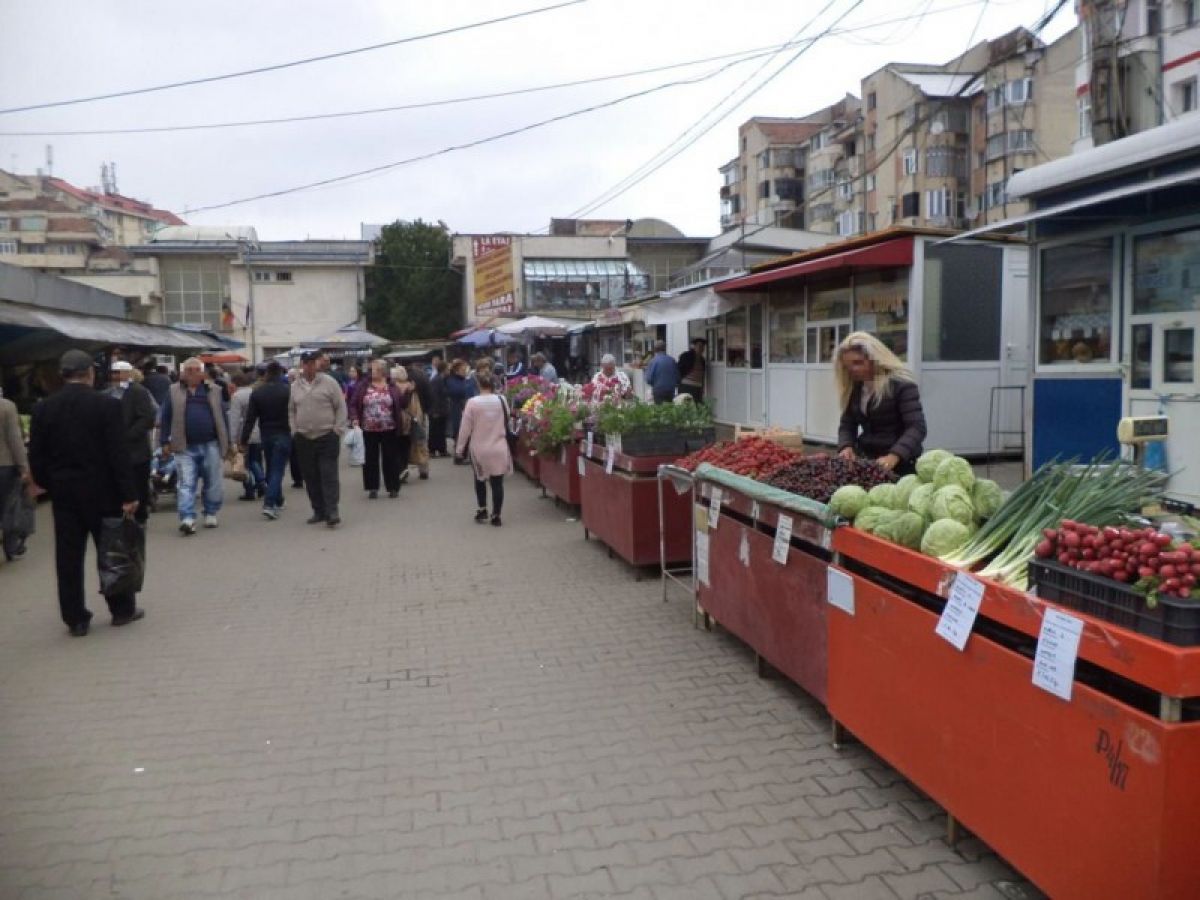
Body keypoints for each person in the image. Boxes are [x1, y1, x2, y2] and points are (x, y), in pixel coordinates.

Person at [28, 350, 143, 636]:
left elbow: (37, 457)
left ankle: (75, 617)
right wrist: (129, 494)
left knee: (68, 557)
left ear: (63, 374)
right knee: (112, 551)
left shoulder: (44, 408)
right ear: (90, 373)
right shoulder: (106, 406)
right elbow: (118, 454)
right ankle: (121, 610)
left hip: (65, 495)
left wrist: (51, 485)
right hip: (104, 493)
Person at [835, 331, 927, 476]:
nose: (853, 370)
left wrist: (894, 455)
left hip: (902, 465)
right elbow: (847, 424)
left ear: (875, 359)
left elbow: (916, 427)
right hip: (868, 461)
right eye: (848, 366)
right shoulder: (855, 388)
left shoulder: (901, 385)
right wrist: (846, 446)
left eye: (858, 363)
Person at [160, 357, 231, 535]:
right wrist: (164, 442)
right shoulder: (173, 391)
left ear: (202, 373)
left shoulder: (213, 390)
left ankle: (210, 512)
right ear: (182, 373)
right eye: (188, 370)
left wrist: (229, 442)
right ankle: (187, 517)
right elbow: (166, 417)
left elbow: (223, 417)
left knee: (213, 481)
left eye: (195, 370)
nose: (191, 373)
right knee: (185, 483)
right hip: (184, 445)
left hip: (211, 443)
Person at [290, 350, 348, 528]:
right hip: (304, 437)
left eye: (312, 362)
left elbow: (340, 407)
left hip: (326, 436)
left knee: (328, 474)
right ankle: (318, 510)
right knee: (311, 476)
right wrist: (294, 430)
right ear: (301, 365)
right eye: (306, 363)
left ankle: (332, 511)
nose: (309, 366)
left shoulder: (329, 383)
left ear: (317, 364)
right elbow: (291, 410)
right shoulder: (295, 386)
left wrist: (338, 429)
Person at [455, 370, 513, 527]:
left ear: (478, 384)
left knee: (479, 479)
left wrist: (459, 449)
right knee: (497, 482)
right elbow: (508, 418)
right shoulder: (502, 400)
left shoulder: (472, 403)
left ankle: (482, 509)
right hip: (499, 446)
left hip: (479, 448)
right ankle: (497, 514)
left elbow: (465, 429)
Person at [348, 359, 409, 499]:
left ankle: (393, 487)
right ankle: (372, 487)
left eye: (374, 369)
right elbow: (353, 403)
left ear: (382, 371)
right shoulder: (363, 385)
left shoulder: (391, 386)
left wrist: (406, 393)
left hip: (389, 427)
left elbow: (403, 404)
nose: (371, 372)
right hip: (369, 427)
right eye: (371, 369)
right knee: (370, 458)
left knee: (390, 458)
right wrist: (354, 417)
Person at [107, 361, 157, 525]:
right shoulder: (107, 393)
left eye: (119, 373)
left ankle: (140, 519)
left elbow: (147, 418)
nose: (116, 376)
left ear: (128, 374)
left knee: (138, 486)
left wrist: (127, 436)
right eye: (113, 373)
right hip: (113, 451)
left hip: (136, 451)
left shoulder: (139, 392)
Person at [240, 361, 291, 520]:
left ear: (267, 373)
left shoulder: (257, 393)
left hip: (266, 434)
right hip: (283, 432)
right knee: (277, 470)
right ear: (280, 373)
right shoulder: (287, 391)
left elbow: (250, 419)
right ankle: (269, 503)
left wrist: (244, 439)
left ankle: (278, 498)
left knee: (271, 468)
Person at [0, 388, 31, 561]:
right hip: (5, 465)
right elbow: (14, 438)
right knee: (9, 507)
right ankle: (11, 547)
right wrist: (23, 466)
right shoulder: (7, 407)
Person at [228, 372, 264, 502]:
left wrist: (232, 439)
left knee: (246, 463)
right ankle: (261, 484)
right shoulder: (255, 392)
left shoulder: (237, 396)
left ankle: (253, 487)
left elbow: (235, 419)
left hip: (244, 433)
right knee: (256, 460)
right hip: (259, 431)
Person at [391, 367, 418, 483]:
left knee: (396, 446)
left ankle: (399, 470)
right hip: (408, 419)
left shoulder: (392, 387)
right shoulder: (410, 386)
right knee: (405, 446)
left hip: (396, 419)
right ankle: (404, 468)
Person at [407, 363, 433, 480]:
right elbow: (429, 395)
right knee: (421, 441)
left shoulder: (404, 378)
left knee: (406, 443)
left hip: (407, 414)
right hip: (420, 413)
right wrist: (426, 410)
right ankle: (423, 469)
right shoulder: (423, 377)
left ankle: (404, 470)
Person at [445, 359, 472, 464]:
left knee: (464, 431)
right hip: (456, 408)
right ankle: (459, 456)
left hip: (462, 407)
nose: (465, 371)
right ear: (456, 371)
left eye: (465, 369)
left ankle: (463, 454)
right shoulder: (452, 380)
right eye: (462, 369)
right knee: (459, 431)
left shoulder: (462, 379)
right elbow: (457, 391)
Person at [428, 360, 449, 457]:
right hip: (436, 410)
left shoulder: (442, 379)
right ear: (444, 369)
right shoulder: (437, 380)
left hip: (441, 409)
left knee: (441, 430)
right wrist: (435, 410)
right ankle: (432, 450)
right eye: (447, 368)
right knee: (435, 431)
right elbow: (434, 396)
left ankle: (441, 449)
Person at [677, 337, 707, 402]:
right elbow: (679, 369)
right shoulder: (687, 356)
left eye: (702, 347)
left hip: (697, 387)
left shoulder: (702, 360)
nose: (701, 348)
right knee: (686, 405)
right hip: (686, 386)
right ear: (694, 346)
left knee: (696, 405)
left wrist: (702, 388)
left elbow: (702, 375)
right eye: (699, 346)